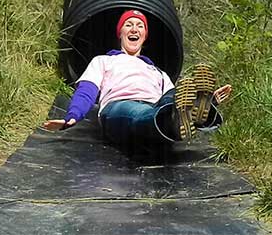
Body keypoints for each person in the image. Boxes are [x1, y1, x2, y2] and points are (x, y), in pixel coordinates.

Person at [44, 10, 232, 149]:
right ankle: (172, 122)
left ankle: (196, 110)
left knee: (173, 95)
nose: (134, 28)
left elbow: (175, 98)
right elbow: (87, 90)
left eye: (140, 26)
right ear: (120, 33)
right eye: (129, 24)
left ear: (144, 36)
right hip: (119, 106)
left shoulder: (157, 71)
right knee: (139, 113)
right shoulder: (104, 60)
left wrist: (210, 99)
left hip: (156, 104)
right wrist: (73, 116)